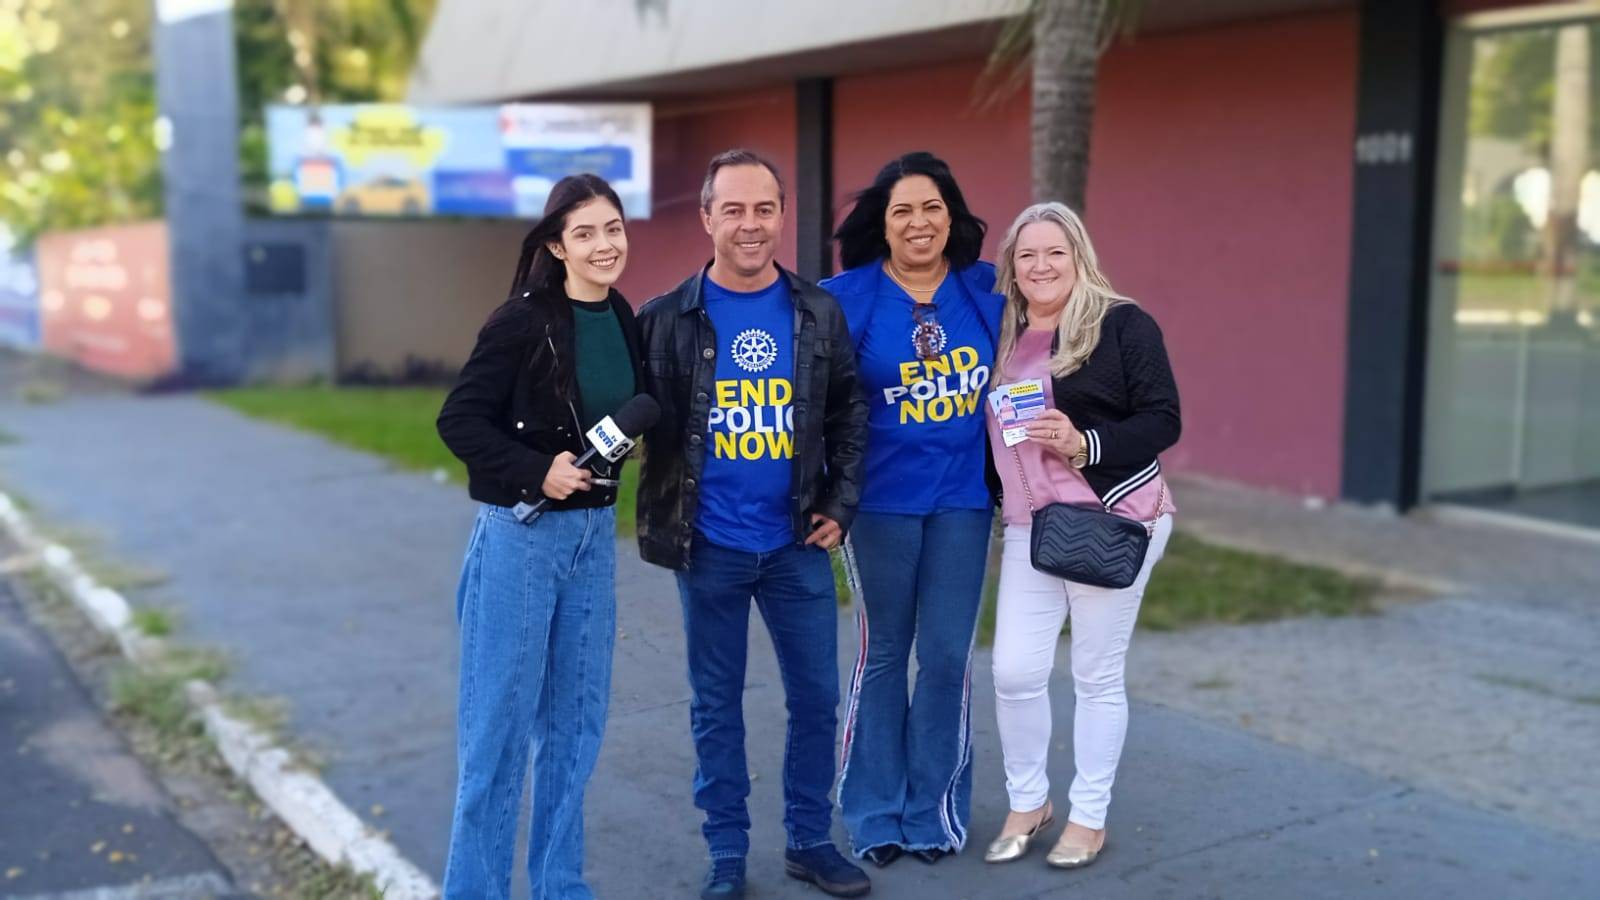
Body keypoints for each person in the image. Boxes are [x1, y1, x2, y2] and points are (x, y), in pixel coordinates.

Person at [634, 149, 871, 900]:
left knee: (816, 699)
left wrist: (840, 502)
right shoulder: (662, 320)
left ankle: (809, 839)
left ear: (782, 215)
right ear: (706, 218)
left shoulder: (817, 312)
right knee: (716, 705)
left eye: (764, 208)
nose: (749, 224)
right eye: (732, 209)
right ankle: (727, 853)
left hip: (796, 543)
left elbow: (850, 413)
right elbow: (618, 409)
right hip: (708, 545)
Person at [436, 173, 643, 900]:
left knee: (576, 729)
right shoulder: (521, 321)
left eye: (613, 228)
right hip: (520, 540)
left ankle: (560, 886)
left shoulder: (621, 314)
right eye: (584, 233)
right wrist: (536, 471)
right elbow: (458, 421)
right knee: (497, 733)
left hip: (592, 540)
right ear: (557, 246)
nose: (603, 244)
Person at [981, 201, 1180, 870]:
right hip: (1029, 525)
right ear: (1011, 267)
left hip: (1111, 517)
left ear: (1079, 257)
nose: (1041, 266)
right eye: (1027, 255)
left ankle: (1088, 817)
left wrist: (1085, 442)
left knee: (1096, 674)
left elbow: (1163, 418)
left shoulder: (1121, 324)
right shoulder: (1002, 334)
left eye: (1054, 252)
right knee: (1014, 671)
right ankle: (1028, 802)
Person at [820, 151, 1002, 867]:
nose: (919, 222)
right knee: (885, 653)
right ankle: (874, 812)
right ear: (884, 222)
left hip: (962, 503)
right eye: (903, 210)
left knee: (949, 656)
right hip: (879, 506)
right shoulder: (846, 298)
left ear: (951, 218)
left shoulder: (985, 290)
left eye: (932, 208)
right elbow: (813, 396)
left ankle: (934, 810)